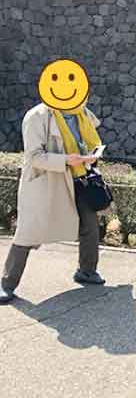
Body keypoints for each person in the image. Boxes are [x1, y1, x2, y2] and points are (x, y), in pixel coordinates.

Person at [0, 59, 106, 305]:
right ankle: (6, 283)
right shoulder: (37, 116)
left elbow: (90, 141)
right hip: (48, 181)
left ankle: (87, 270)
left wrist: (92, 154)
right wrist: (66, 160)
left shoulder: (82, 113)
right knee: (28, 230)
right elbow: (34, 157)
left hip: (80, 177)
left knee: (90, 225)